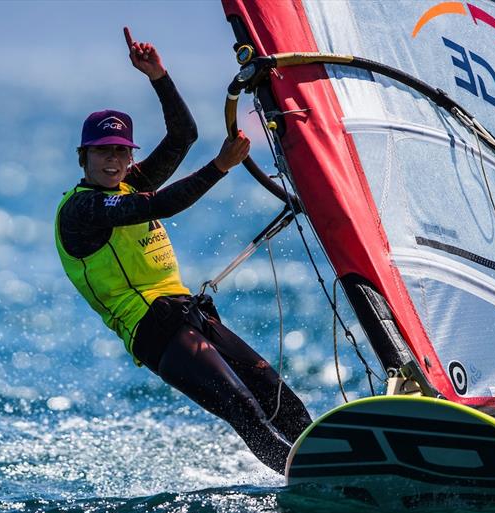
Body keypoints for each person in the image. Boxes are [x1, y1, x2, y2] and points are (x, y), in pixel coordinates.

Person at [54, 28, 312, 474]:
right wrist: (219, 168)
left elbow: (183, 135)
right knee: (243, 407)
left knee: (277, 396)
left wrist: (158, 76)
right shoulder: (83, 209)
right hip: (152, 331)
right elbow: (163, 204)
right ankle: (303, 478)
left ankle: (328, 457)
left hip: (188, 312)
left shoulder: (128, 182)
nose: (112, 161)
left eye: (120, 151)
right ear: (83, 157)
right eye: (101, 153)